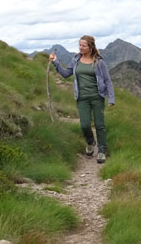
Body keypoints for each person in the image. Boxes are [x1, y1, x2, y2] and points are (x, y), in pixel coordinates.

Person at [49, 35, 115, 163]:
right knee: (84, 125)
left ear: (90, 47)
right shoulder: (75, 60)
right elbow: (65, 73)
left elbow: (107, 81)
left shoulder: (99, 61)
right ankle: (90, 142)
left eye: (83, 45)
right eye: (80, 45)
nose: (81, 47)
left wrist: (111, 98)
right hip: (82, 98)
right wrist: (55, 62)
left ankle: (102, 150)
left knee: (99, 125)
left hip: (97, 97)